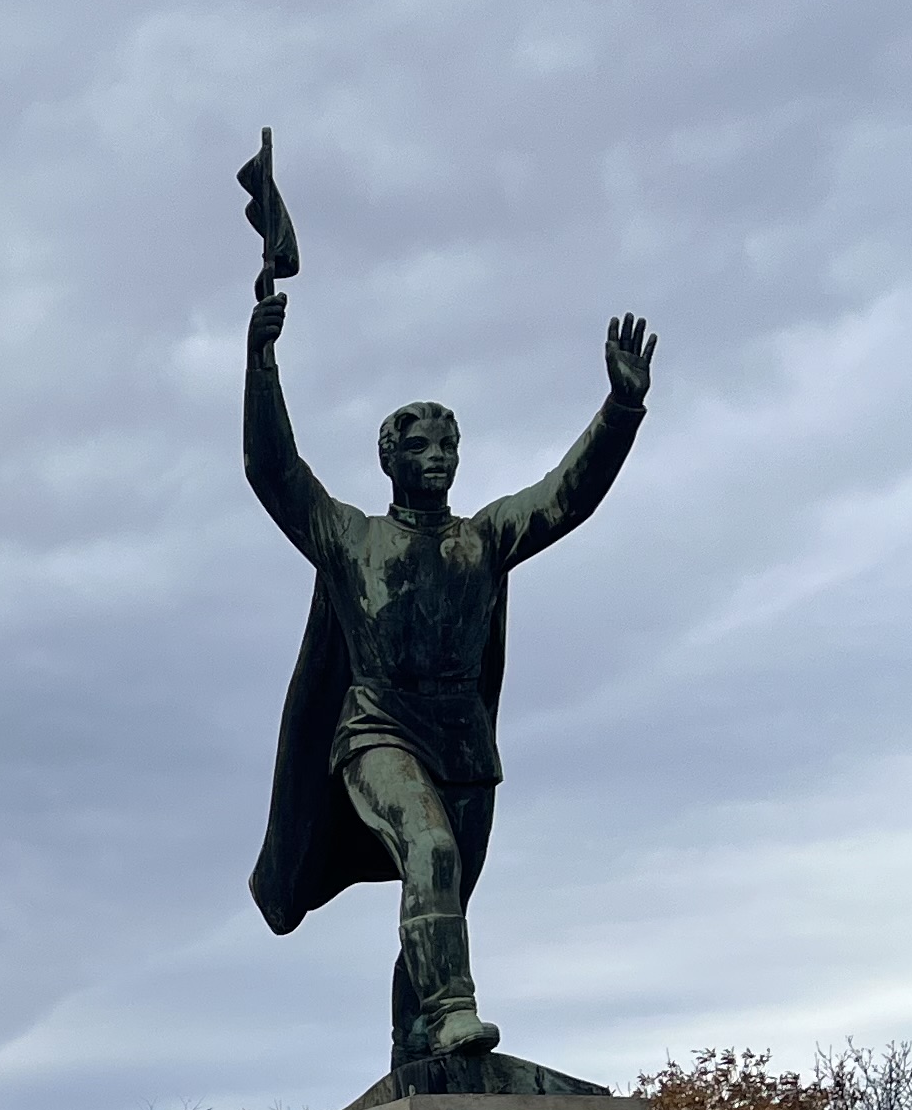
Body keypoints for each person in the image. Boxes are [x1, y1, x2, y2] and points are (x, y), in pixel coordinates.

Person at [243, 279, 652, 1069]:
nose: (436, 458)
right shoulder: (351, 538)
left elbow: (566, 497)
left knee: (443, 900)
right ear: (388, 460)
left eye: (446, 447)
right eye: (419, 448)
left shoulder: (485, 538)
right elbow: (273, 470)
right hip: (379, 734)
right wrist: (261, 363)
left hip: (464, 748)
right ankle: (455, 1009)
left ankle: (418, 1052)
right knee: (429, 851)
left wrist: (621, 410)